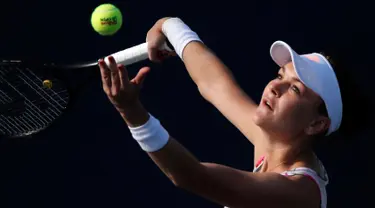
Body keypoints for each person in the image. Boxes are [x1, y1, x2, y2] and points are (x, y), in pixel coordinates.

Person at [97, 17, 367, 208]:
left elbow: (191, 176)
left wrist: (132, 113)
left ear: (316, 123)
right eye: (280, 75)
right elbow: (214, 84)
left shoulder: (299, 191)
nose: (275, 87)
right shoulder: (272, 144)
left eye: (294, 89)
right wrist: (170, 26)